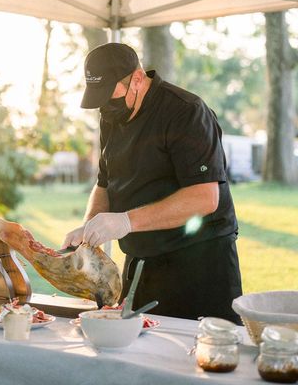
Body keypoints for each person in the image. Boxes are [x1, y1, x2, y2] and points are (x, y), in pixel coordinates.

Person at [62, 42, 243, 324]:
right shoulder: (111, 116)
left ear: (137, 78)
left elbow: (205, 197)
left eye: (112, 96)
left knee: (196, 358)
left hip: (200, 263)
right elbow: (105, 182)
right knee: (134, 351)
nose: (106, 106)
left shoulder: (186, 112)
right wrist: (89, 230)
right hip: (142, 261)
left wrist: (126, 221)